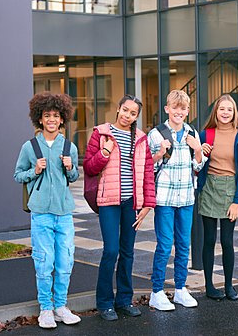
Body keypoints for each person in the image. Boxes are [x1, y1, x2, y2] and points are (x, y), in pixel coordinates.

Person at [83, 94, 156, 321]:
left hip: (130, 204)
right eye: (125, 110)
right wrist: (104, 152)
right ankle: (104, 303)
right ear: (118, 109)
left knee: (128, 252)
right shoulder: (101, 133)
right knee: (111, 250)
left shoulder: (141, 139)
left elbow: (147, 172)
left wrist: (147, 205)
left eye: (133, 113)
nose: (127, 116)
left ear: (136, 116)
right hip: (108, 202)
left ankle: (124, 300)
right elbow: (88, 167)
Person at [14, 92, 81, 329]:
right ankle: (46, 309)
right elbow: (17, 175)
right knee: (44, 261)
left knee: (65, 261)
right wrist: (35, 170)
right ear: (39, 119)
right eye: (46, 116)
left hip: (64, 213)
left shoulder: (69, 146)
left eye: (56, 115)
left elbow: (73, 176)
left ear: (62, 119)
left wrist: (71, 167)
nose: (51, 119)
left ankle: (60, 306)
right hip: (41, 212)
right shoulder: (30, 147)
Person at [148, 90, 207, 311]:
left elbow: (198, 167)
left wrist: (198, 150)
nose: (179, 112)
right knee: (164, 245)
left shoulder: (192, 133)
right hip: (163, 198)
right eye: (175, 108)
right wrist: (160, 153)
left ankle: (181, 289)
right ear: (167, 109)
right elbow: (147, 167)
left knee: (184, 245)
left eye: (183, 109)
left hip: (186, 198)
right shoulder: (156, 134)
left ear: (187, 111)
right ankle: (157, 291)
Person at [197, 94, 238, 301]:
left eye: (229, 109)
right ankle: (209, 286)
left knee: (227, 241)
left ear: (234, 112)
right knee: (209, 239)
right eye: (222, 109)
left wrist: (236, 201)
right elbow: (197, 164)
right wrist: (200, 152)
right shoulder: (206, 134)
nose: (225, 113)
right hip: (209, 186)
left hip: (230, 188)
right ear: (215, 111)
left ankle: (229, 286)